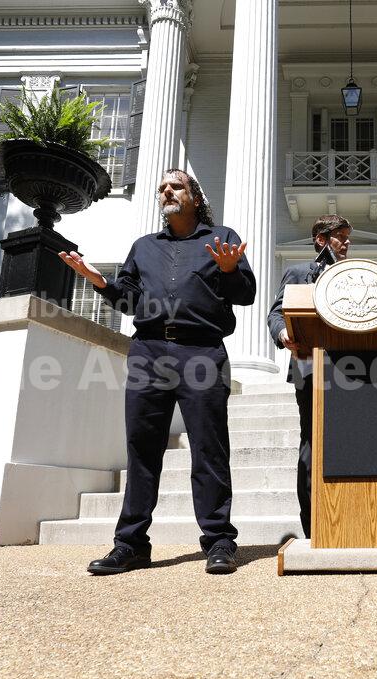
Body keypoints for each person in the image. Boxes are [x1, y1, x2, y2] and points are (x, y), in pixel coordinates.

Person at [59, 168, 256, 575]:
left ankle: (219, 541)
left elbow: (246, 294)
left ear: (195, 197)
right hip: (148, 351)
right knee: (142, 450)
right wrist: (101, 283)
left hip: (201, 351)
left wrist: (229, 270)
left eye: (176, 185)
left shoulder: (222, 239)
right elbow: (129, 301)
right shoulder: (144, 247)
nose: (167, 191)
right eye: (162, 188)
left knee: (208, 447)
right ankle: (130, 544)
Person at [267, 214, 352, 538]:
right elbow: (276, 313)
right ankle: (314, 525)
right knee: (312, 444)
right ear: (321, 240)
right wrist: (283, 333)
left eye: (348, 237)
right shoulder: (300, 273)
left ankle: (346, 517)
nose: (347, 242)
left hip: (355, 371)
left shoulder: (354, 276)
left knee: (349, 443)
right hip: (309, 369)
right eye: (340, 236)